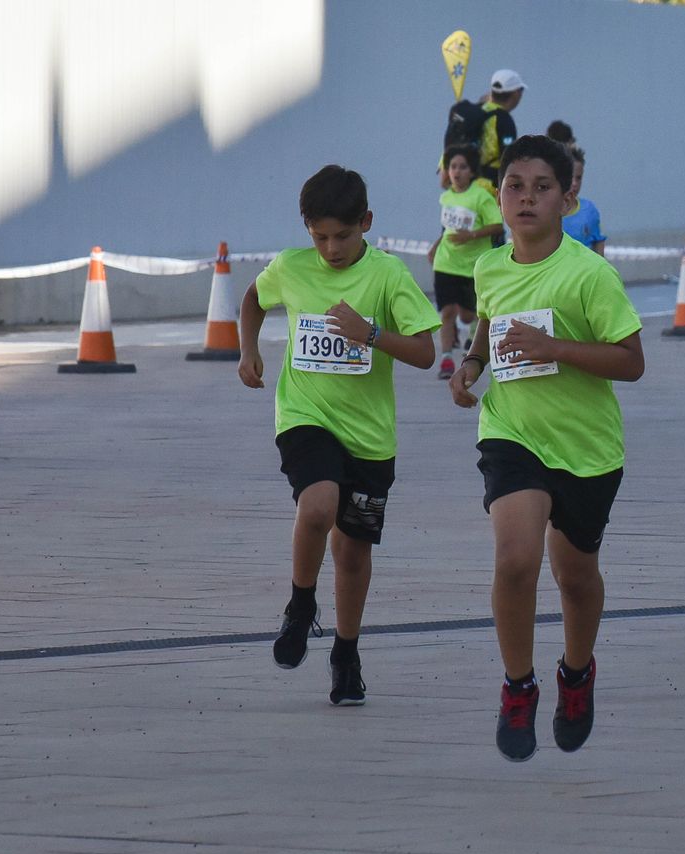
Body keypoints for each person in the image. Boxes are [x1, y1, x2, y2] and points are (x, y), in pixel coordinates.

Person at [449, 136, 645, 762]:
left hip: (587, 448)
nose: (526, 197)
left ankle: (577, 675)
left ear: (569, 198)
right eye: (514, 186)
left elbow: (632, 362)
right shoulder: (489, 266)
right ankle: (518, 686)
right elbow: (487, 324)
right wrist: (472, 366)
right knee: (515, 559)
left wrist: (556, 349)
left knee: (576, 574)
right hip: (511, 433)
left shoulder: (591, 274)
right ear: (499, 198)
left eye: (542, 187)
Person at [237, 165, 440, 706]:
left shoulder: (388, 275)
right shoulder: (291, 267)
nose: (330, 248)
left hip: (370, 437)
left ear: (366, 223)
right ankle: (301, 605)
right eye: (319, 236)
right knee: (318, 505)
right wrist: (248, 349)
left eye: (342, 236)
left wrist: (369, 334)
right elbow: (253, 298)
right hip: (305, 415)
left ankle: (346, 653)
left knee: (351, 553)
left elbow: (426, 353)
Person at [428, 146, 504, 380]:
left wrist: (470, 236)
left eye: (462, 167)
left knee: (469, 315)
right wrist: (436, 245)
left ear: (472, 172)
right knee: (447, 311)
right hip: (446, 263)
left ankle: (465, 329)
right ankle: (447, 359)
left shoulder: (481, 197)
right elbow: (448, 228)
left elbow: (497, 226)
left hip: (472, 266)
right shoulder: (447, 196)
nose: (457, 172)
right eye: (453, 167)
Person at [561, 146, 607, 256]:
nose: (575, 183)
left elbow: (598, 244)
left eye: (578, 178)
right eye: (571, 177)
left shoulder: (589, 210)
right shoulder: (547, 211)